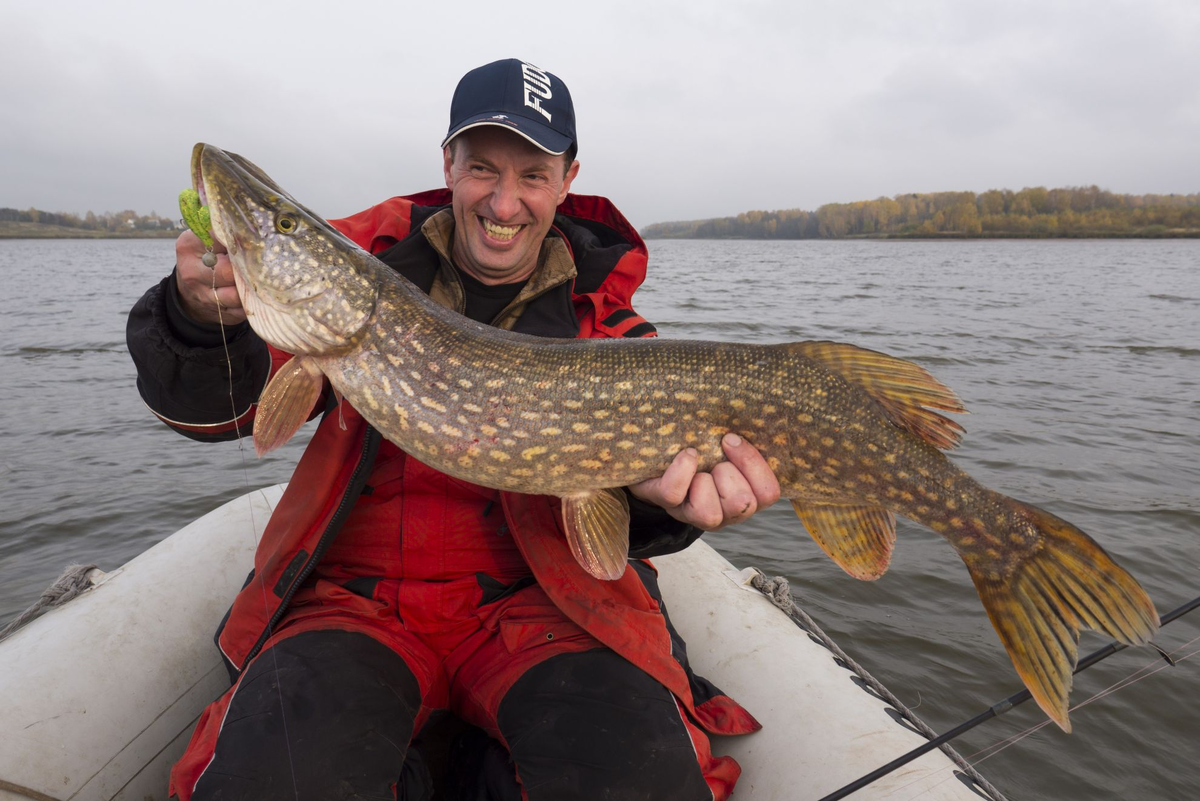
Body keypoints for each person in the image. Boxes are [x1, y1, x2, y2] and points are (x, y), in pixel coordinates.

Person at [128, 58, 779, 801]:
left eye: (532, 174)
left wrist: (665, 505)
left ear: (567, 179)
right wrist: (195, 316)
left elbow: (620, 527)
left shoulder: (614, 335)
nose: (505, 202)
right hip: (354, 604)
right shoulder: (362, 279)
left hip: (542, 607)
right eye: (482, 168)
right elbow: (217, 407)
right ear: (448, 164)